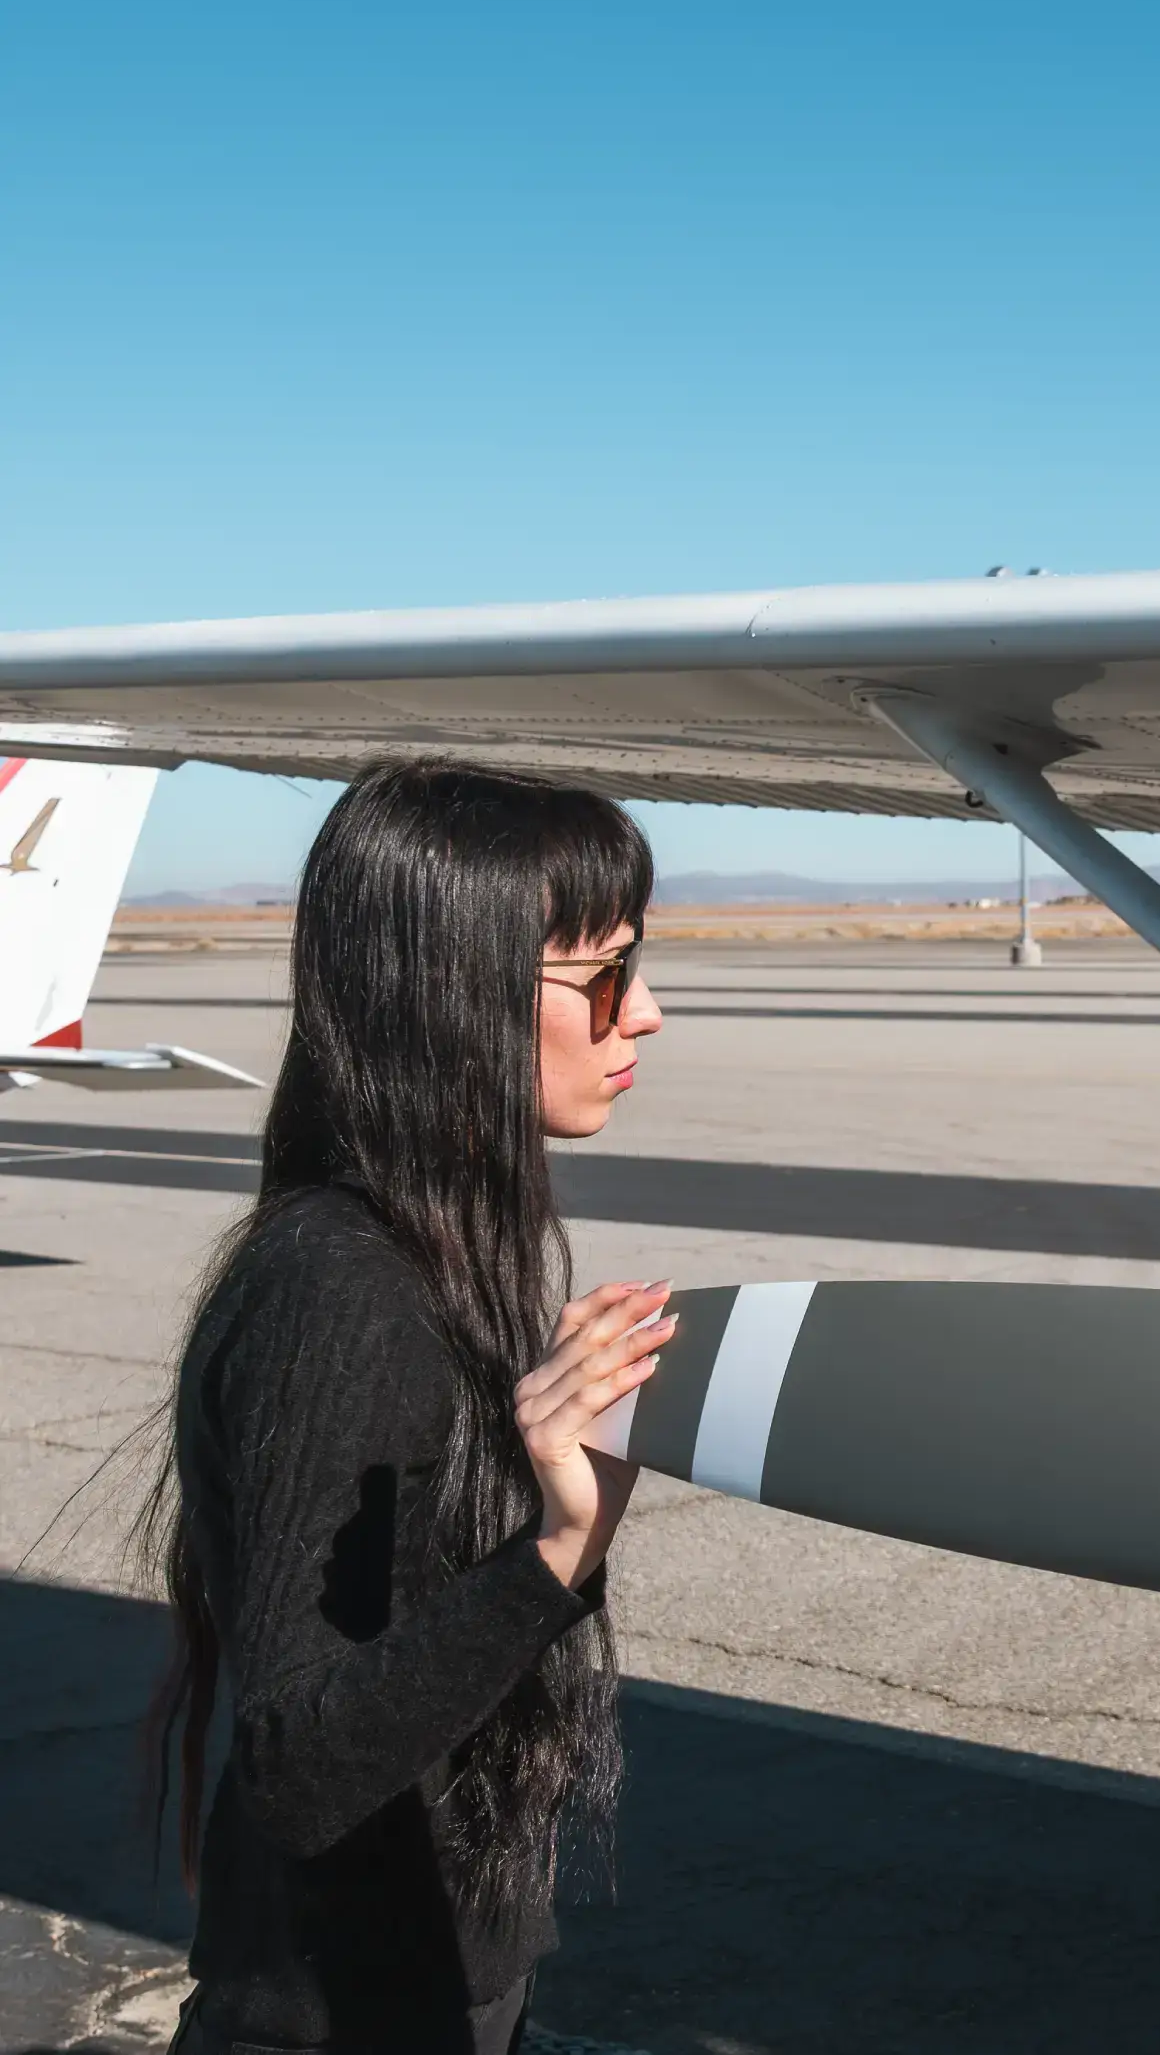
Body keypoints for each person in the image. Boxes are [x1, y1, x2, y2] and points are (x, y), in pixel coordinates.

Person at [140, 760, 674, 2055]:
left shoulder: (437, 1257)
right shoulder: (342, 1289)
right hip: (342, 2012)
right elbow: (298, 1761)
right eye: (604, 973)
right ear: (457, 994)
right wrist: (556, 1546)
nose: (645, 1011)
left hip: (425, 1979)